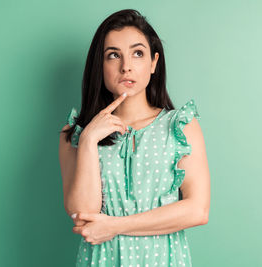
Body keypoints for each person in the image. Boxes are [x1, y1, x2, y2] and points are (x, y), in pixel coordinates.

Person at [58, 9, 210, 267]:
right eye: (113, 55)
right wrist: (88, 141)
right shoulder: (75, 134)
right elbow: (83, 217)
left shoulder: (181, 126)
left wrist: (115, 226)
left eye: (137, 53)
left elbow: (197, 210)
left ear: (153, 63)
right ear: (100, 65)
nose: (125, 66)